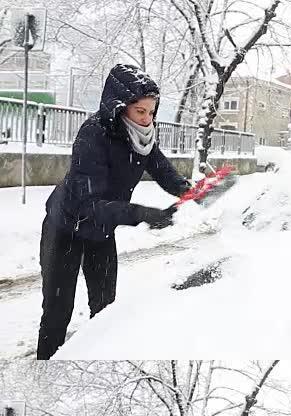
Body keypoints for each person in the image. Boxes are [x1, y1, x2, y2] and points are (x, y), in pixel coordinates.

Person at [36, 64, 193, 360]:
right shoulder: (93, 135)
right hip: (66, 227)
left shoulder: (140, 137)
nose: (147, 119)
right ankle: (46, 369)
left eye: (151, 112)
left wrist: (187, 190)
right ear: (120, 107)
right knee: (58, 313)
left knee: (106, 311)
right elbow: (89, 204)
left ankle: (96, 366)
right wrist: (141, 213)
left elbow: (160, 167)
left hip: (100, 231)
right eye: (140, 112)